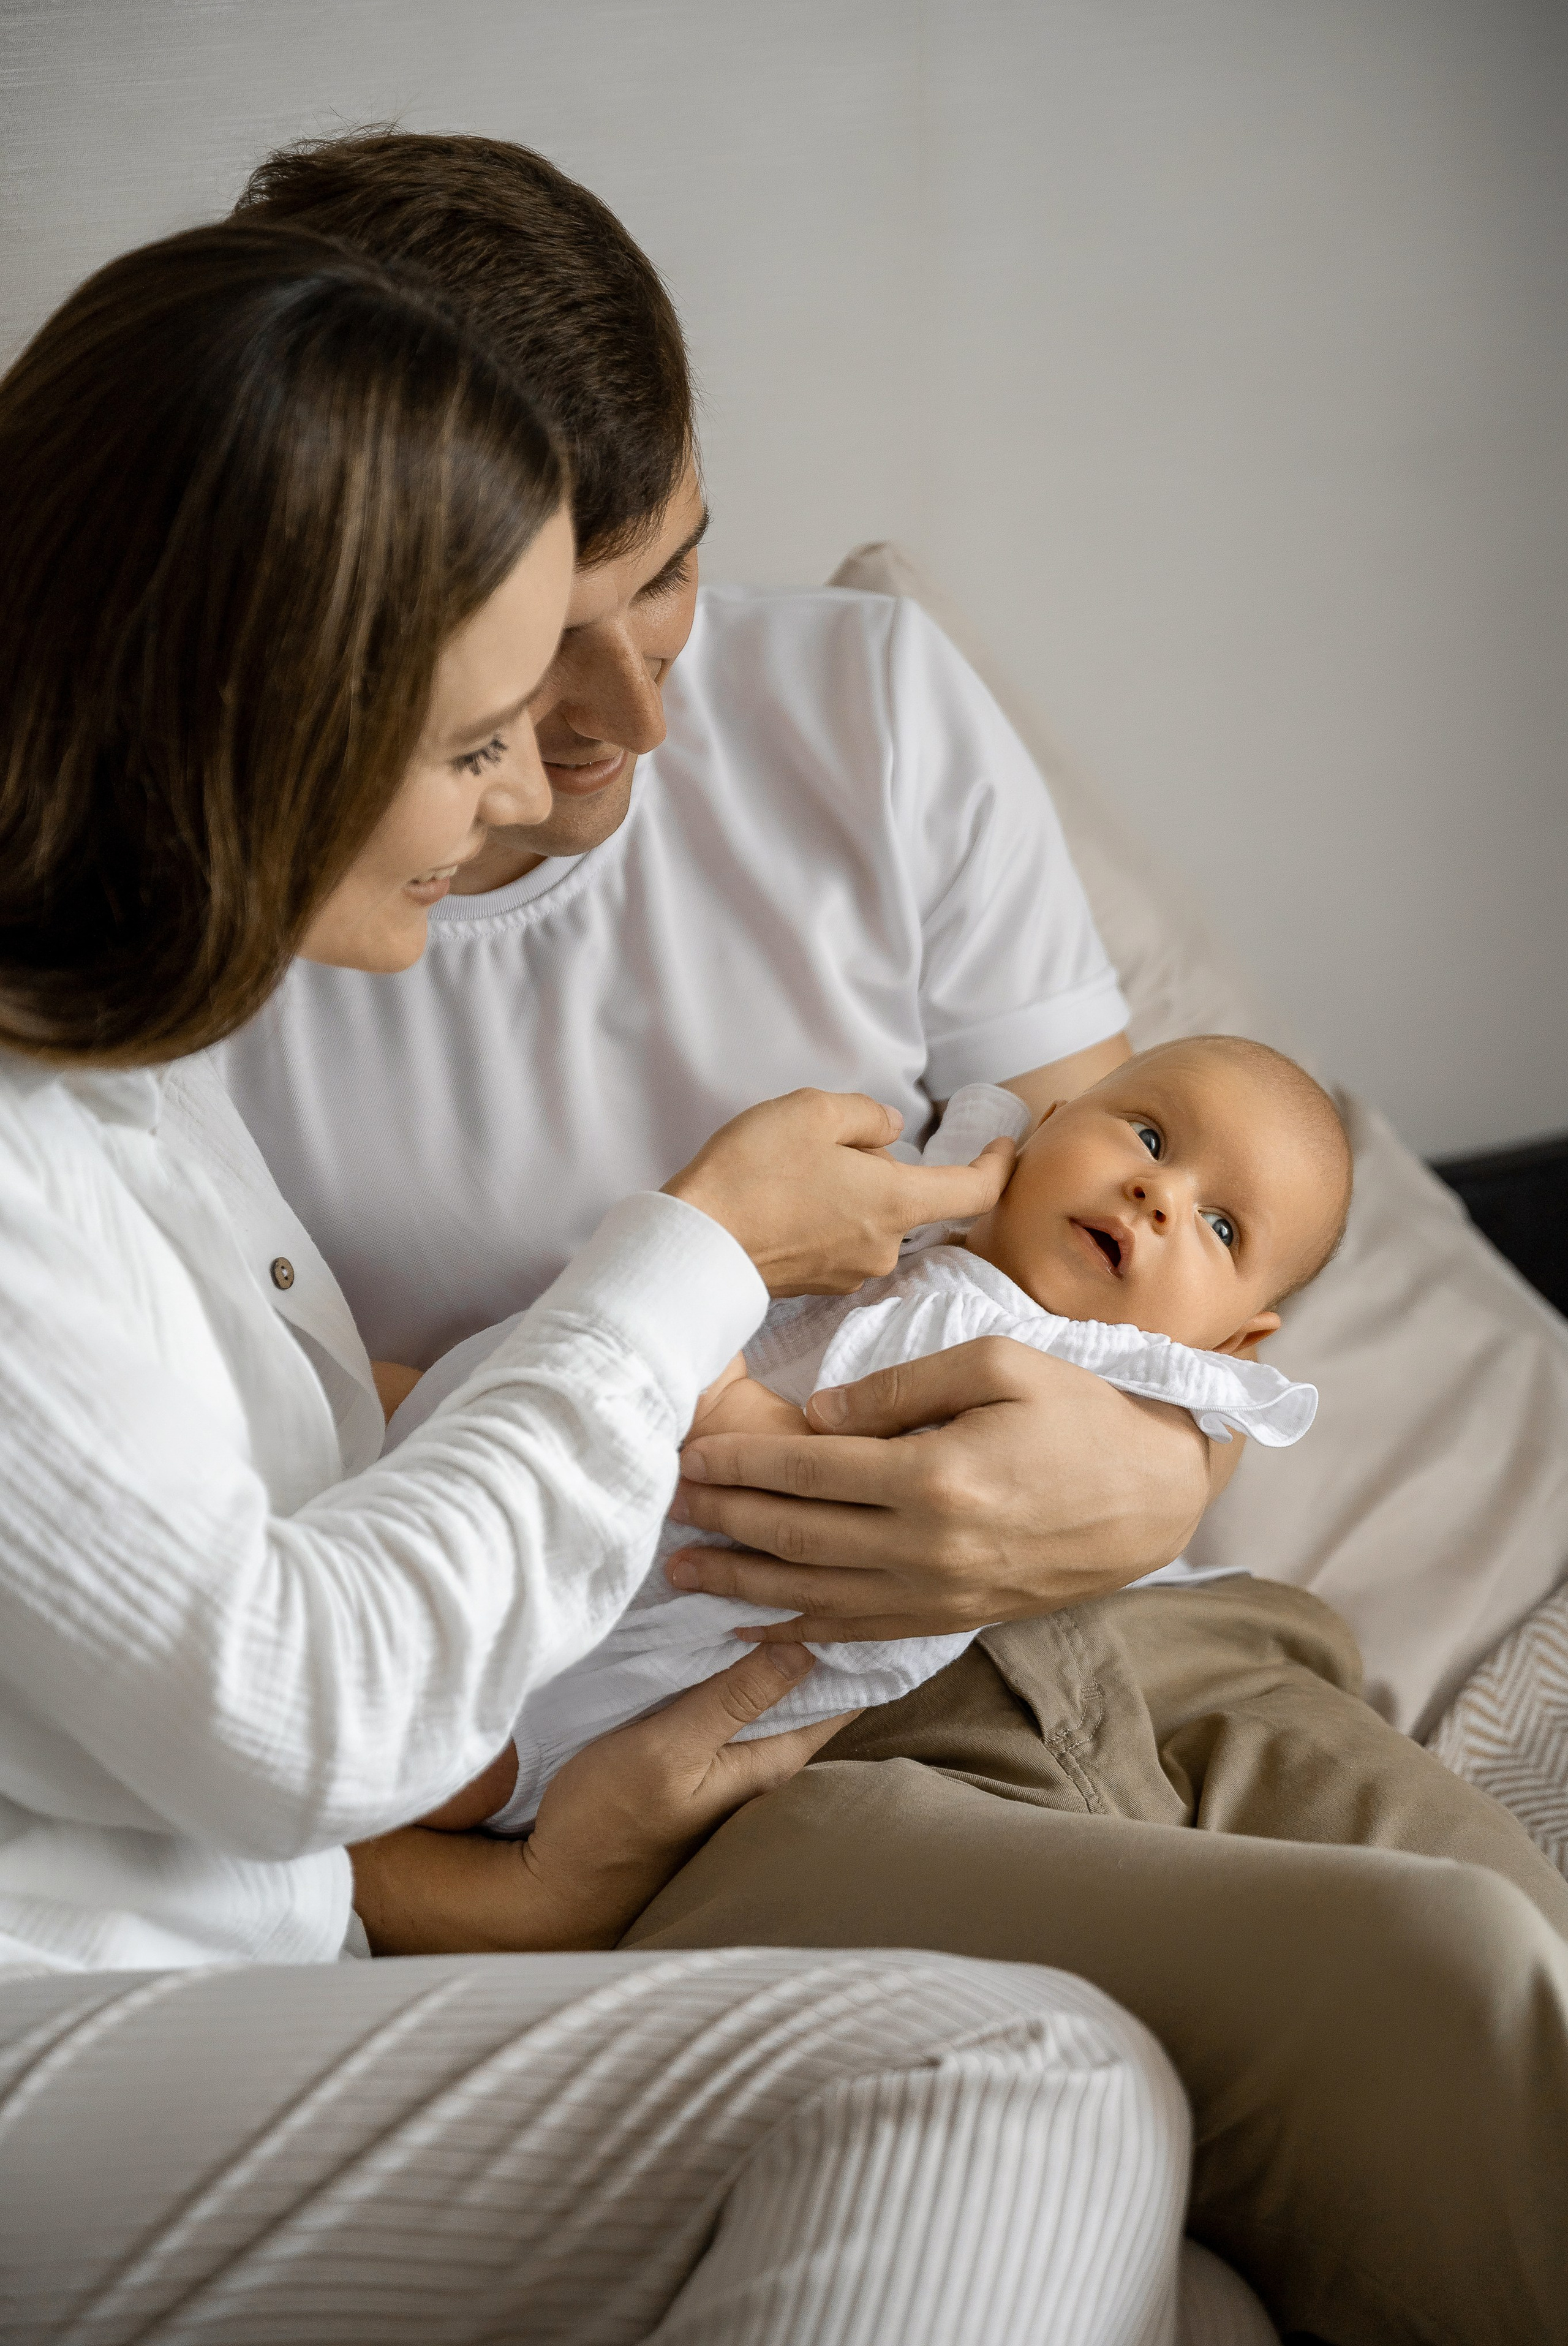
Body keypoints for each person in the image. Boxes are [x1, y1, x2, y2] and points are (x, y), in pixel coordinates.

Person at [213, 131, 1568, 2344]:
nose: (654, 713)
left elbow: (1147, 1212)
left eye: (674, 581)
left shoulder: (858, 706)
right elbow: (255, 1577)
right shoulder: (211, 963)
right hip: (738, 1741)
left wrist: (1135, 1481)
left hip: (1151, 1630)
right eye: (553, 653)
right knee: (1433, 1984)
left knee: (1500, 1915)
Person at [0, 224, 1194, 2345]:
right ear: (255, 717)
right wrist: (695, 1257)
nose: (506, 803)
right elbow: (290, 1698)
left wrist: (514, 1899)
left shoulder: (131, 1079)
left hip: (264, 1970)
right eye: (469, 739)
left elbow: (254, 1607)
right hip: (82, 2017)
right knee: (1008, 2072)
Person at [396, 1037, 1338, 1838]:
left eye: (1220, 1227)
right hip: (546, 1480)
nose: (1158, 1192)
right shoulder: (930, 1214)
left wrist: (708, 1362)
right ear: (1048, 1123)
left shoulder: (1058, 1381)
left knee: (439, 1745)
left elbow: (817, 1470)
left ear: (1232, 1343)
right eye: (1149, 1135)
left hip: (654, 1636)